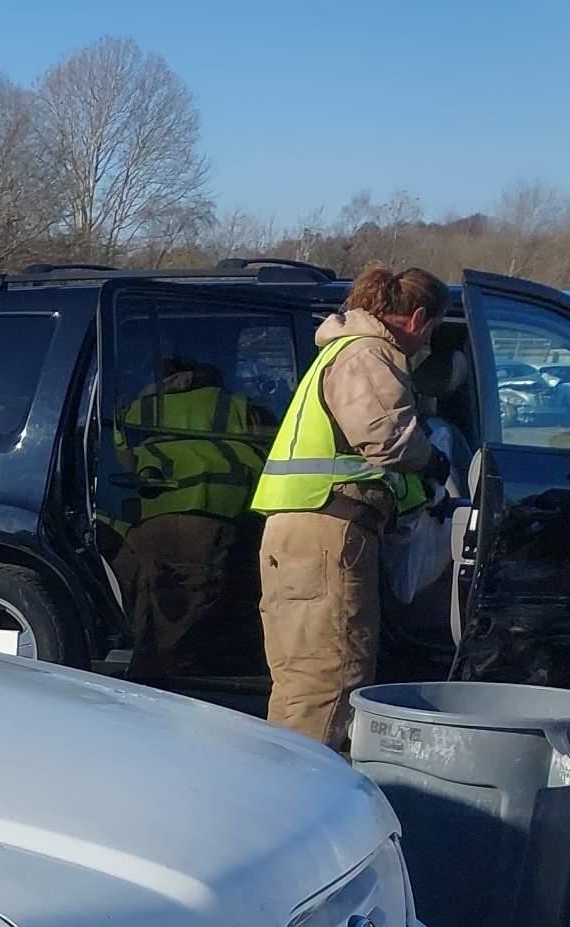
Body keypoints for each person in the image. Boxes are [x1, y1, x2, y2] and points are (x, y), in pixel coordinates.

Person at [249, 262, 451, 746]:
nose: (426, 346)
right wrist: (434, 462)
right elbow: (388, 440)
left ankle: (281, 789)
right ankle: (307, 802)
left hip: (306, 535)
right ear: (419, 317)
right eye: (432, 332)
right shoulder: (369, 354)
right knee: (330, 681)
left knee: (303, 683)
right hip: (328, 535)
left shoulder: (343, 350)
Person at [113, 355, 261, 684]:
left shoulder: (143, 403)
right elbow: (268, 455)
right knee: (197, 598)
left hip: (151, 513)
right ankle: (179, 675)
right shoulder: (239, 405)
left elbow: (120, 453)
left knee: (153, 596)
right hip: (217, 512)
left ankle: (147, 668)